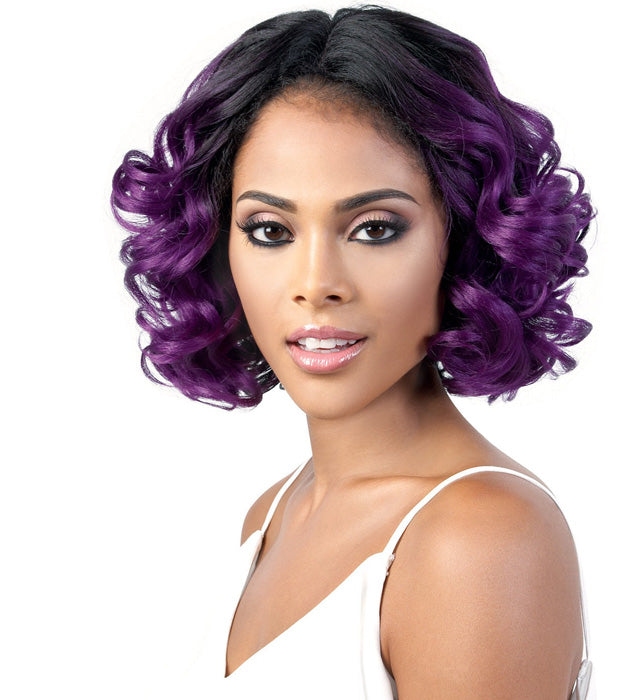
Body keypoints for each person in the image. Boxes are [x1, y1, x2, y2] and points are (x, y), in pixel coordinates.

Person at [112, 6, 594, 699]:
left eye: (374, 228)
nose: (316, 285)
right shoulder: (272, 515)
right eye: (270, 230)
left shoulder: (478, 538)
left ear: (466, 239)